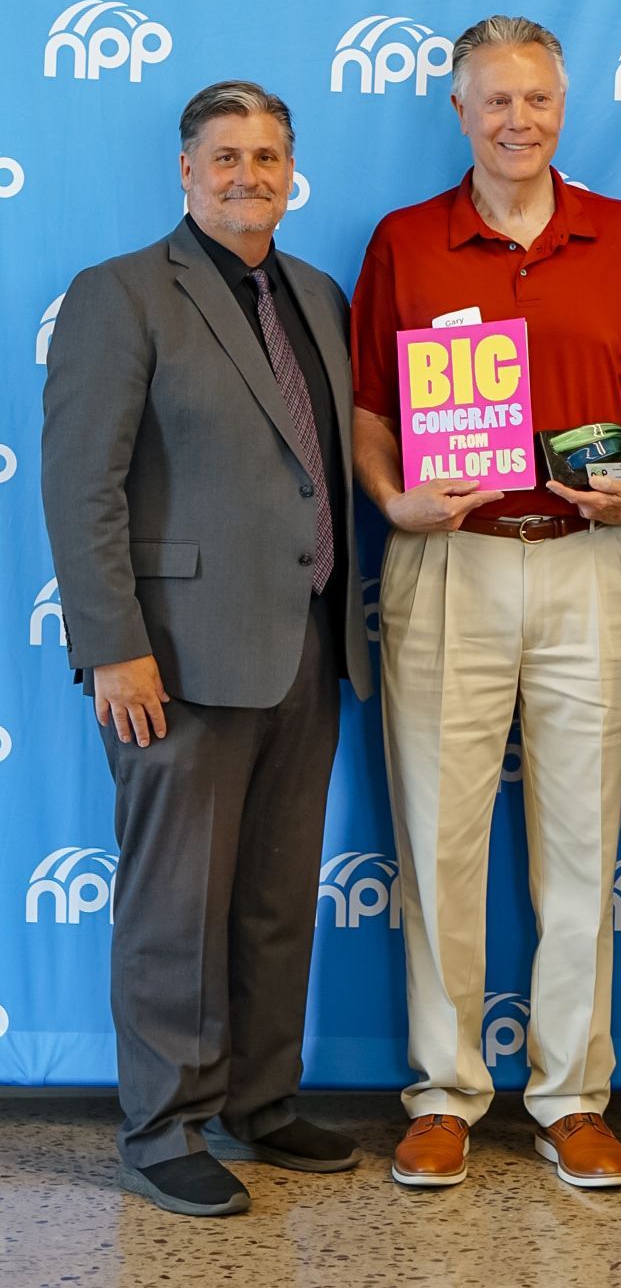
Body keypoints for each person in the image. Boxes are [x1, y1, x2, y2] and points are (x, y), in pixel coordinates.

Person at [352, 15, 621, 1189]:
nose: (517, 119)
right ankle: (443, 1092)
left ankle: (570, 1096)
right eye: (494, 100)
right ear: (457, 110)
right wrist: (391, 499)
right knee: (439, 838)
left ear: (563, 104)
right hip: (450, 563)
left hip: (589, 564)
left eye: (536, 98)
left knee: (582, 843)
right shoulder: (404, 242)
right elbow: (371, 408)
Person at [41, 81, 372, 1217]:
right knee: (177, 902)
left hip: (307, 648)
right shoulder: (120, 293)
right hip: (172, 660)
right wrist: (115, 647)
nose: (247, 174)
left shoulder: (320, 296)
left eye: (267, 155)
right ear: (186, 171)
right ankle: (166, 1121)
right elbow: (80, 484)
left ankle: (260, 1099)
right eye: (224, 155)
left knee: (277, 896)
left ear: (292, 172)